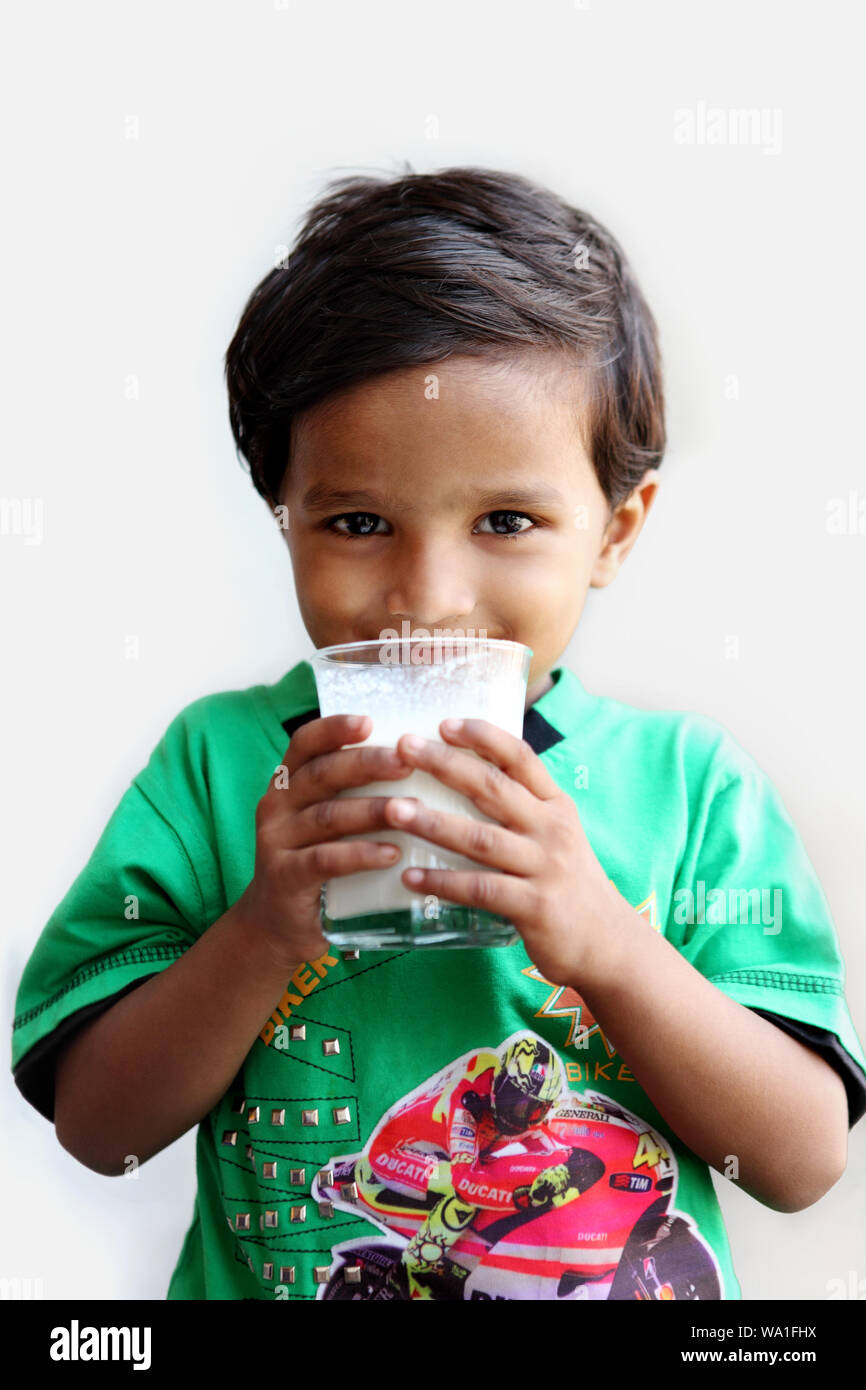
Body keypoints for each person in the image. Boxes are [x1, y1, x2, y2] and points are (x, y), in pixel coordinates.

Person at [11, 165, 866, 1301]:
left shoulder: (690, 788)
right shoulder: (217, 770)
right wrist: (264, 928)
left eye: (506, 520)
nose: (430, 595)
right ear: (282, 520)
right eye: (358, 521)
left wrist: (609, 947)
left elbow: (801, 1161)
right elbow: (99, 1126)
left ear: (612, 531)